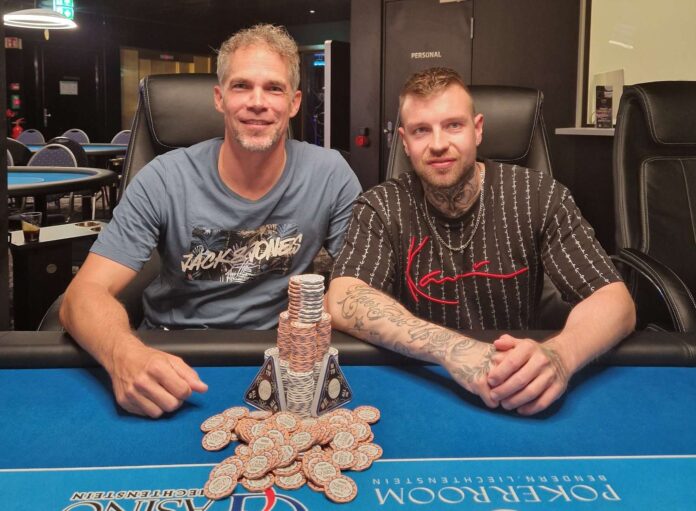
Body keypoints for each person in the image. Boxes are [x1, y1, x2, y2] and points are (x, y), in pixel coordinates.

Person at [60, 24, 362, 418]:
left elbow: (362, 287)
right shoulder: (164, 177)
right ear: (220, 98)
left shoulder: (330, 175)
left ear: (294, 102)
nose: (257, 102)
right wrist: (124, 354)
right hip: (173, 354)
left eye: (274, 88)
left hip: (280, 358)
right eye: (241, 86)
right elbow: (82, 295)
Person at [326, 67, 635, 415]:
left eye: (453, 125)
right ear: (405, 142)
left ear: (478, 130)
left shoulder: (539, 195)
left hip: (517, 380)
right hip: (422, 382)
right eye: (421, 130)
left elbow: (615, 300)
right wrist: (453, 350)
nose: (438, 143)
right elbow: (344, 297)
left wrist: (560, 356)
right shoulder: (381, 206)